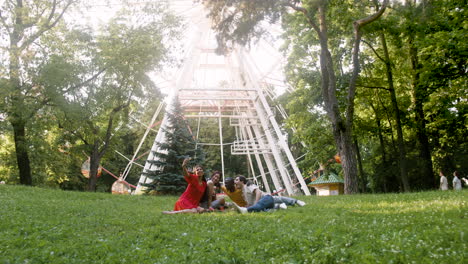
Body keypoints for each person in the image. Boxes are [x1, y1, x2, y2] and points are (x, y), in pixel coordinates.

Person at [231, 175, 306, 213]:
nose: (235, 182)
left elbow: (258, 192)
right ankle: (279, 206)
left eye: (237, 180)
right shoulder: (243, 193)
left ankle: (296, 201)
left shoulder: (247, 185)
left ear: (242, 181)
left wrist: (256, 203)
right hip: (263, 204)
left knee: (279, 198)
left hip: (265, 198)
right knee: (262, 209)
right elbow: (251, 201)